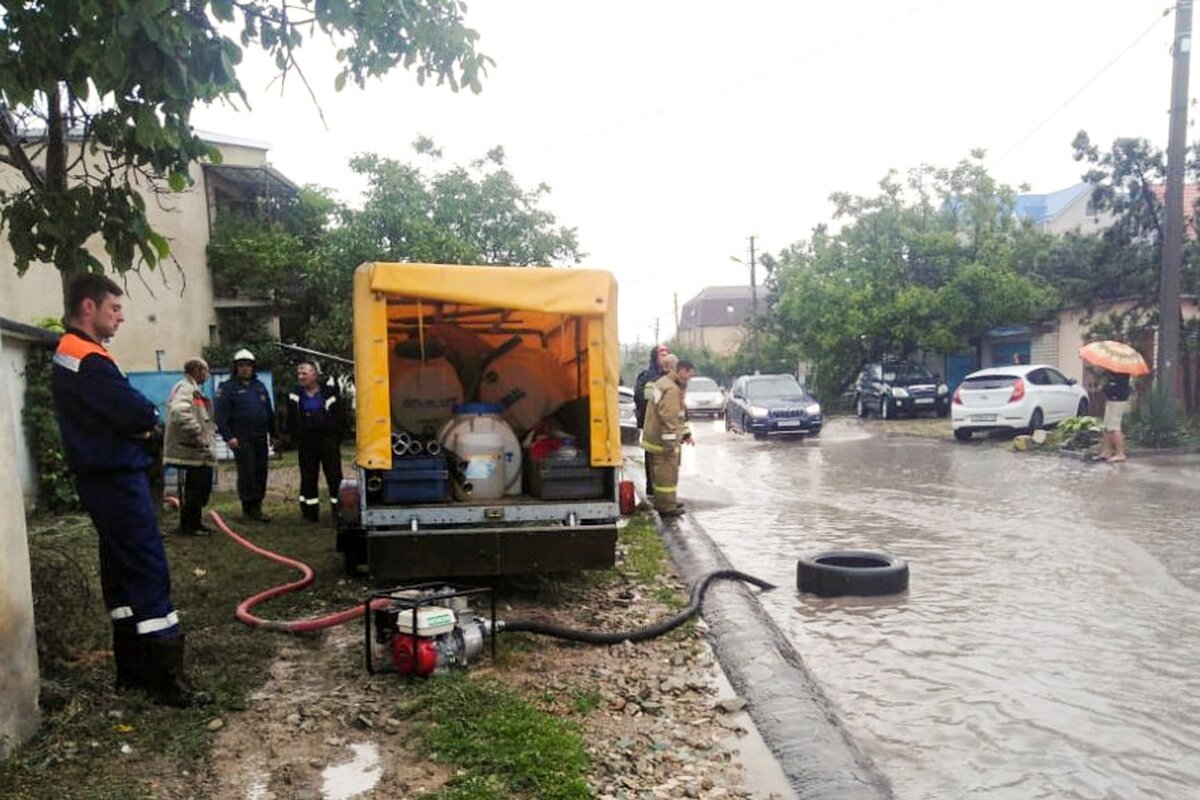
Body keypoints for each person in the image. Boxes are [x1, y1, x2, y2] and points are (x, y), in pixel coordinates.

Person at [51, 273, 207, 706]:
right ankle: (166, 678)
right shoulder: (86, 358)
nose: (120, 317)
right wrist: (144, 421)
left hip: (101, 476)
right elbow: (137, 411)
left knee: (119, 572)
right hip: (116, 476)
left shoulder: (75, 354)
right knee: (145, 565)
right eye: (114, 308)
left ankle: (132, 669)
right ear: (88, 307)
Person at [215, 348, 276, 521]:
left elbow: (268, 412)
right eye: (241, 365)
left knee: (260, 470)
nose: (245, 369)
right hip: (241, 437)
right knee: (247, 472)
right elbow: (221, 416)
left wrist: (274, 434)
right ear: (235, 367)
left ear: (253, 367)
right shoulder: (227, 388)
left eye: (248, 365)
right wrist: (229, 437)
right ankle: (248, 508)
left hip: (260, 435)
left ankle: (258, 506)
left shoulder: (260, 386)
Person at [285, 360, 346, 523]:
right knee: (308, 477)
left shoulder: (330, 393)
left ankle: (338, 510)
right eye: (299, 373)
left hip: (328, 441)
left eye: (304, 373)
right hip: (306, 442)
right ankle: (309, 513)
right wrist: (295, 437)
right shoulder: (294, 394)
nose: (301, 376)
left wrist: (335, 438)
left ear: (315, 375)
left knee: (334, 476)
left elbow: (340, 418)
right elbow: (290, 419)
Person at [163, 358, 217, 535]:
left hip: (194, 450)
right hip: (191, 449)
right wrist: (197, 432)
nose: (208, 375)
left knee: (199, 487)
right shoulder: (186, 389)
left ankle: (194, 523)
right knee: (196, 488)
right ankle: (190, 526)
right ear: (197, 370)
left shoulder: (190, 388)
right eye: (206, 371)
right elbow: (179, 412)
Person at [642, 356, 696, 518]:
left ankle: (665, 501)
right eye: (689, 374)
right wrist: (671, 445)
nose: (690, 378)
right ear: (681, 371)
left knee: (659, 476)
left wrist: (686, 434)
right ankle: (667, 507)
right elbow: (669, 418)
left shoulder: (663, 383)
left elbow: (679, 414)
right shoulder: (672, 390)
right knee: (667, 475)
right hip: (663, 442)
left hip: (653, 437)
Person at [634, 344, 671, 496]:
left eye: (667, 353)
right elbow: (641, 399)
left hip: (668, 427)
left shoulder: (671, 376)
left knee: (668, 462)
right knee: (652, 460)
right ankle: (653, 493)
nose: (666, 356)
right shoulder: (646, 378)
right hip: (652, 426)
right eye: (663, 354)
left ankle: (666, 494)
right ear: (655, 357)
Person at [1097, 369, 1131, 462]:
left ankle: (1120, 453)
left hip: (1118, 400)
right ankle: (1106, 451)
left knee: (1114, 427)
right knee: (1107, 426)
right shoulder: (1112, 371)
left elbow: (1118, 387)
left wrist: (1107, 387)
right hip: (1111, 399)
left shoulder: (1122, 372)